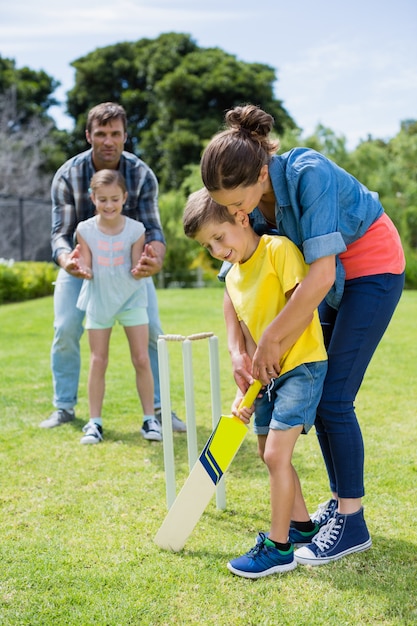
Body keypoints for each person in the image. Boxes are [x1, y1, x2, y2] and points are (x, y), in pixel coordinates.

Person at [200, 104, 405, 566]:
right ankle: (338, 502)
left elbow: (317, 277)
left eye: (236, 203)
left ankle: (352, 521)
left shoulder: (308, 172)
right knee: (327, 397)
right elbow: (233, 281)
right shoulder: (247, 204)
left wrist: (272, 338)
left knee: (333, 397)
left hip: (371, 267)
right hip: (330, 285)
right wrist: (239, 350)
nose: (235, 213)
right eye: (227, 207)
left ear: (259, 171)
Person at [183, 188, 328, 578]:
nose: (216, 249)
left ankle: (279, 549)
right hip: (265, 375)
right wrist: (243, 389)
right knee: (269, 452)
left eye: (219, 237)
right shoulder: (233, 277)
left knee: (276, 456)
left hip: (300, 364)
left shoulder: (277, 250)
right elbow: (248, 337)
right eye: (207, 245)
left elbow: (301, 307)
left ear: (241, 217)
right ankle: (302, 527)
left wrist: (275, 355)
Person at [40, 102, 186, 438]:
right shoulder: (68, 175)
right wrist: (68, 261)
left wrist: (156, 257)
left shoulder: (142, 174)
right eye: (101, 134)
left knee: (152, 334)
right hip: (84, 266)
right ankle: (64, 406)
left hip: (129, 271)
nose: (108, 141)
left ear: (124, 136)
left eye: (115, 134)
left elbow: (153, 228)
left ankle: (160, 411)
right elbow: (60, 235)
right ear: (89, 135)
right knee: (65, 329)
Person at [75, 170, 158, 443]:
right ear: (93, 199)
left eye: (114, 199)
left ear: (124, 197)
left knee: (141, 359)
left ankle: (149, 420)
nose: (109, 205)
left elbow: (136, 270)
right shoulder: (84, 230)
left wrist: (142, 265)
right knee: (98, 361)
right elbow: (86, 263)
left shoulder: (136, 230)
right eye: (102, 200)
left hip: (132, 298)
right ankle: (94, 423)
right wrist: (82, 268)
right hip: (99, 299)